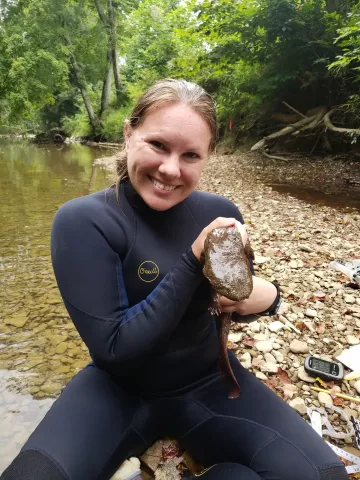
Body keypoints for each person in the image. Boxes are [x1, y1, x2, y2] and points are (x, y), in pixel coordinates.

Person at [1, 79, 347, 480]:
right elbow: (114, 348)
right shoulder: (84, 221)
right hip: (116, 390)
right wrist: (192, 260)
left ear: (207, 157)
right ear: (129, 135)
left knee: (321, 475)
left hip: (209, 383)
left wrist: (269, 296)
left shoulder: (219, 213)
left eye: (190, 155)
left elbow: (236, 297)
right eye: (158, 145)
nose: (170, 169)